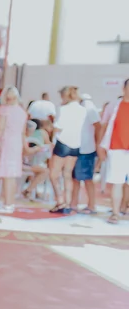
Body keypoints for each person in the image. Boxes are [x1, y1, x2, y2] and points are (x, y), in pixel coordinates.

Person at [48, 86, 88, 214]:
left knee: (54, 174)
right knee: (67, 175)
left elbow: (58, 127)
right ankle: (68, 202)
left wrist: (51, 141)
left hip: (62, 143)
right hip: (76, 145)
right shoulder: (83, 110)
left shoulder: (63, 109)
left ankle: (60, 201)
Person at [0, 86, 28, 212]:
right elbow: (23, 132)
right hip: (16, 143)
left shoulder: (4, 110)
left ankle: (8, 204)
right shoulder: (22, 111)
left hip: (7, 142)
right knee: (11, 175)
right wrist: (25, 147)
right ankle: (8, 202)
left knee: (7, 174)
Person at [98, 78, 129, 224]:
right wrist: (100, 146)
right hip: (116, 149)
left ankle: (124, 208)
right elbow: (103, 127)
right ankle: (115, 213)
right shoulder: (113, 106)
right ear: (124, 89)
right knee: (117, 181)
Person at [70, 94, 102, 214]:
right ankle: (74, 203)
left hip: (86, 149)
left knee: (86, 178)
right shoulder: (86, 108)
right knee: (77, 178)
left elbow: (98, 127)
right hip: (80, 147)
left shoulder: (89, 109)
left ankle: (91, 205)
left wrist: (97, 143)